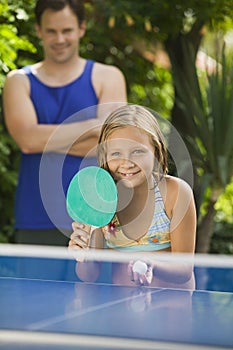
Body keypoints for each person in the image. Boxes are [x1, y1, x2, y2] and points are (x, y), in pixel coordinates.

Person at [3, 0, 127, 245]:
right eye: (51, 31)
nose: (59, 39)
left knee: (94, 285)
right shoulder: (19, 81)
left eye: (67, 30)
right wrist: (94, 127)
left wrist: (42, 139)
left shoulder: (108, 77)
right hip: (36, 217)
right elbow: (27, 140)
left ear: (81, 28)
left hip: (97, 218)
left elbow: (111, 144)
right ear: (38, 30)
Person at [69, 104, 197, 289]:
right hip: (123, 308)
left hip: (172, 308)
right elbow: (89, 275)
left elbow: (184, 270)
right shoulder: (99, 199)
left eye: (137, 151)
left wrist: (151, 263)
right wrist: (83, 256)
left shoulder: (177, 193)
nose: (126, 163)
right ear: (105, 156)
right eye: (116, 153)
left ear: (156, 150)